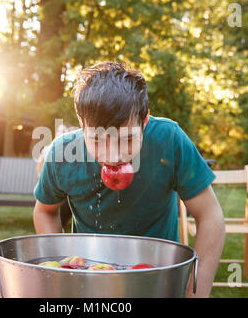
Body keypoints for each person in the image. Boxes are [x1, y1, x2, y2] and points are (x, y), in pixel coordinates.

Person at [33, 62, 225, 297]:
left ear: (144, 122)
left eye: (127, 139)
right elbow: (45, 211)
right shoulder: (62, 153)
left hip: (156, 278)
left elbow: (210, 216)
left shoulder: (170, 140)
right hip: (88, 281)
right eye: (96, 140)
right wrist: (62, 272)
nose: (112, 156)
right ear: (82, 125)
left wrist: (195, 292)